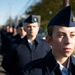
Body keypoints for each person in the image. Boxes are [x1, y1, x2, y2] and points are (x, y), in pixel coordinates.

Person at [21, 6, 75, 75]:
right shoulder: (31, 72)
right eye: (61, 35)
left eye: (72, 35)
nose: (68, 41)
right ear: (49, 40)